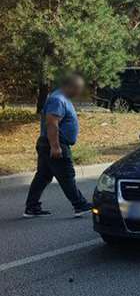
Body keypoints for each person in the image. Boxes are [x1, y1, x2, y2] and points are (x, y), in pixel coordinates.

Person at [23, 73, 92, 218]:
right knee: (66, 175)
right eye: (78, 88)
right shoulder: (58, 99)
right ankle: (80, 205)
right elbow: (52, 123)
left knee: (43, 176)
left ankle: (32, 207)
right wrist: (55, 146)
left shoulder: (61, 98)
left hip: (47, 143)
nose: (79, 92)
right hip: (54, 143)